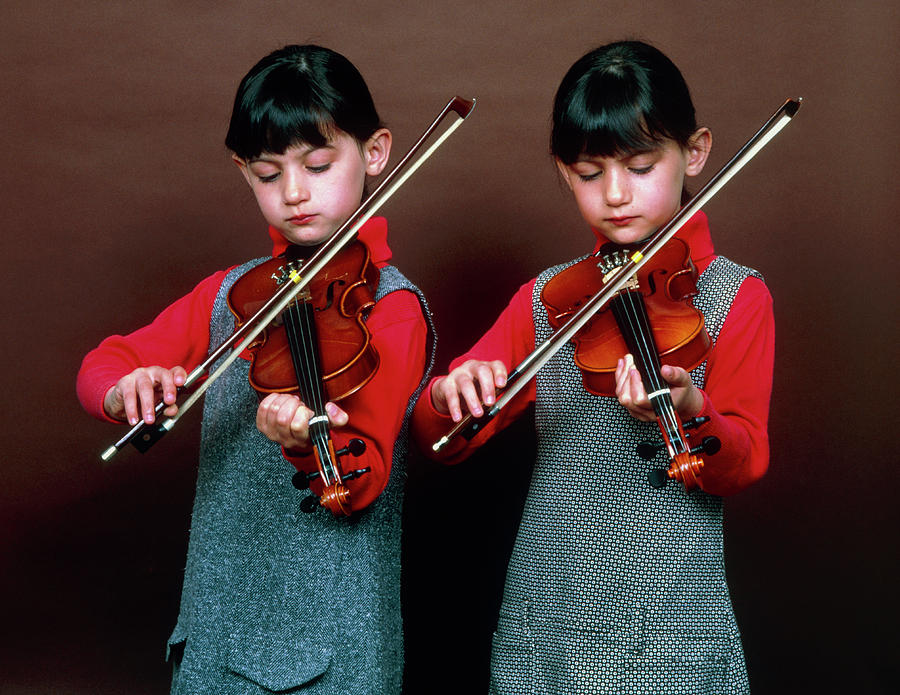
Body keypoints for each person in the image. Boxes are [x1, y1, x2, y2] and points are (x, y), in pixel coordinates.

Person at [411, 40, 772, 693]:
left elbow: (744, 459)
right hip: (546, 619)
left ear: (694, 152)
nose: (614, 194)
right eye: (587, 172)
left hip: (670, 627)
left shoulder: (736, 296)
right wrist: (450, 392)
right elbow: (438, 438)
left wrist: (693, 409)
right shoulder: (551, 300)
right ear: (562, 170)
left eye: (639, 166)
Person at [77, 45, 435, 694]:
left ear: (376, 153)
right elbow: (105, 363)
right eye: (269, 175)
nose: (294, 193)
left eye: (318, 165)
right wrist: (122, 390)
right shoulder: (228, 295)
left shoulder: (392, 306)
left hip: (329, 648)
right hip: (213, 632)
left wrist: (311, 440)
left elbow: (363, 474)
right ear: (244, 173)